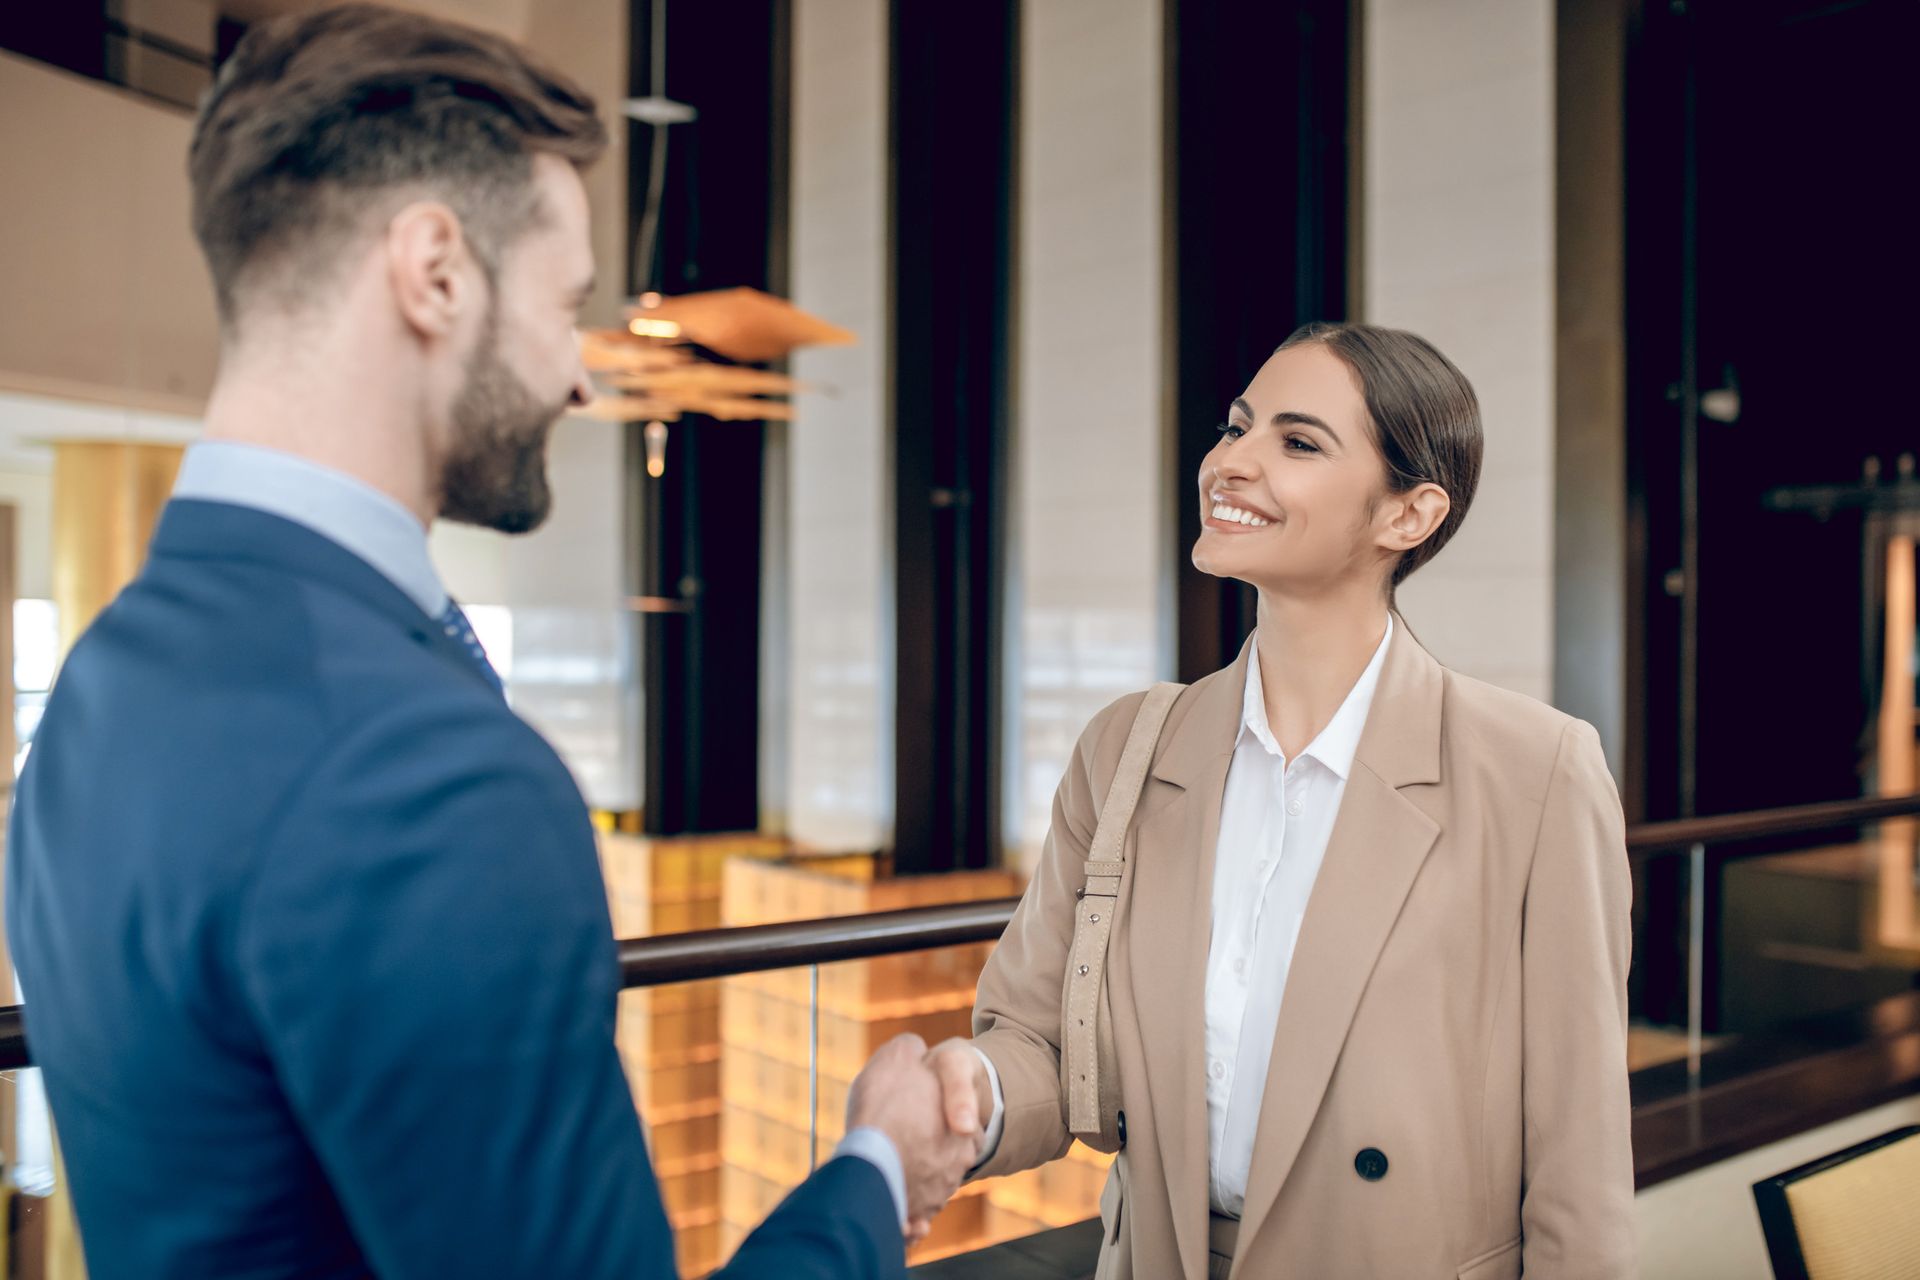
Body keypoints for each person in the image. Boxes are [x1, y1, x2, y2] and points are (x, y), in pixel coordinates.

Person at [3, 6, 978, 1277]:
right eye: (566, 303)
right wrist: (876, 1169)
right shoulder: (421, 772)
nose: (583, 378)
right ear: (435, 271)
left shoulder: (97, 685)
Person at [923, 323, 1636, 1279]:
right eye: (1236, 427)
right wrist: (963, 1091)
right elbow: (1046, 1043)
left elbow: (1579, 1162)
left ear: (1408, 516)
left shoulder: (1535, 772)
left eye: (1297, 443)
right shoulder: (1129, 749)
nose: (1231, 462)